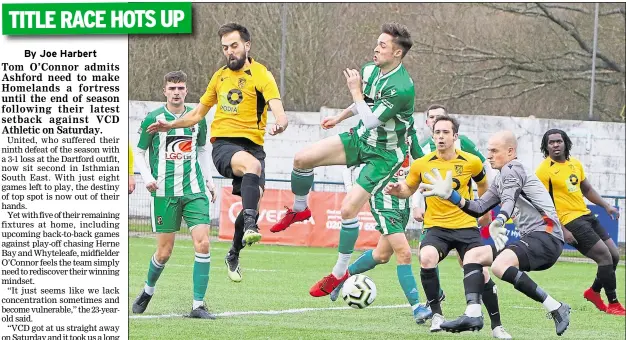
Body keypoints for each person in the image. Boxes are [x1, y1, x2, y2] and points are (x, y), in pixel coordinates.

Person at [269, 23, 416, 298]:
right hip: (360, 138)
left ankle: (337, 274)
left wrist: (355, 91)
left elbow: (372, 118)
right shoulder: (371, 70)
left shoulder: (402, 87)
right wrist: (339, 117)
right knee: (302, 159)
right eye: (377, 42)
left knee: (348, 210)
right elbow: (365, 104)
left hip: (385, 155)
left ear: (397, 53)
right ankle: (300, 209)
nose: (376, 48)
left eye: (382, 45)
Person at [147, 23, 288, 283]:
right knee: (252, 170)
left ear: (247, 45)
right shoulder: (219, 77)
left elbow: (277, 107)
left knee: (253, 201)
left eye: (234, 46)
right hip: (224, 146)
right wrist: (170, 124)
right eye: (225, 48)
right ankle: (250, 226)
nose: (229, 52)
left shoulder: (262, 75)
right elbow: (197, 114)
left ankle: (234, 252)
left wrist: (281, 121)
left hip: (254, 147)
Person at [413, 130, 571, 336]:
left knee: (499, 266)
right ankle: (473, 313)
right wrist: (451, 195)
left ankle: (556, 307)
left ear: (510, 151)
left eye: (494, 151)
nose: (488, 155)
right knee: (473, 256)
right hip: (535, 238)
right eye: (488, 150)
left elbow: (510, 198)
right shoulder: (500, 178)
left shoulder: (512, 169)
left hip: (547, 235)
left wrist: (500, 219)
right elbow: (478, 207)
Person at [384, 116, 509, 338]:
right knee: (426, 257)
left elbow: (483, 185)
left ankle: (497, 326)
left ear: (455, 136)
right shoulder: (422, 163)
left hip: (466, 226)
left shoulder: (471, 162)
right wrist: (398, 190)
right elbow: (408, 188)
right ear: (433, 136)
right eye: (437, 132)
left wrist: (484, 212)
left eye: (445, 132)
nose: (440, 136)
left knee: (483, 272)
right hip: (437, 228)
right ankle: (437, 315)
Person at [132, 70, 217, 319]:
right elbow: (138, 152)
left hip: (194, 190)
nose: (177, 92)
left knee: (203, 243)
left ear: (186, 90)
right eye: (172, 88)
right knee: (164, 252)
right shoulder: (153, 119)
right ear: (165, 91)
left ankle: (198, 305)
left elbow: (202, 149)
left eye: (181, 88)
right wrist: (147, 178)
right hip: (164, 193)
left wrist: (210, 181)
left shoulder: (196, 117)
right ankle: (148, 290)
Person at [330, 133, 435, 324]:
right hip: (382, 200)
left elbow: (421, 161)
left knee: (381, 255)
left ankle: (341, 278)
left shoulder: (409, 130)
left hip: (403, 201)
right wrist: (352, 191)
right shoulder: (375, 132)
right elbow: (350, 166)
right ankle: (417, 308)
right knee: (404, 253)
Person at [536, 129, 624, 315]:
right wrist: (562, 229)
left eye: (558, 141)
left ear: (565, 143)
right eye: (551, 142)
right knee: (604, 257)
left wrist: (606, 206)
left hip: (586, 215)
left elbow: (587, 189)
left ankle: (593, 292)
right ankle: (614, 304)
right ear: (546, 146)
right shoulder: (544, 170)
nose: (555, 145)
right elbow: (541, 204)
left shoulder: (575, 164)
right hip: (570, 221)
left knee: (614, 255)